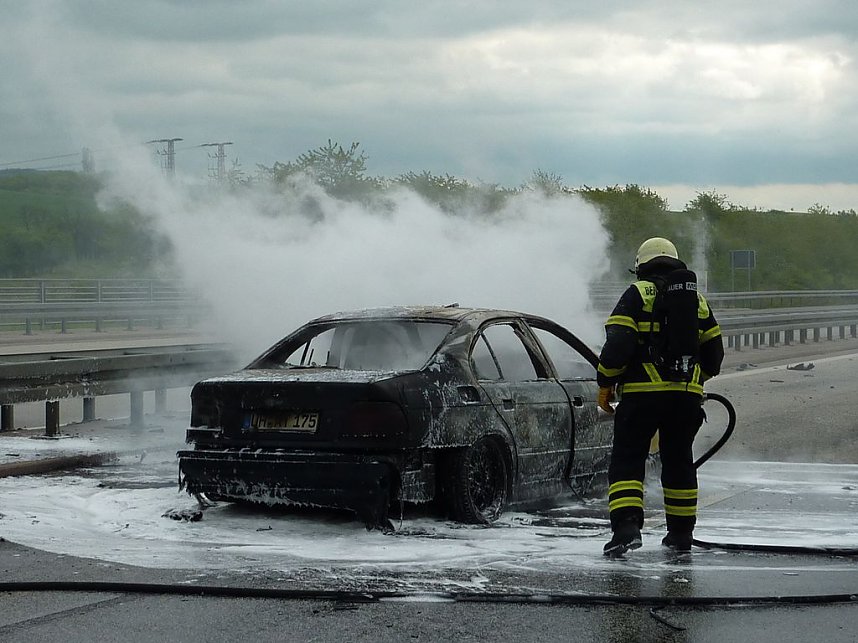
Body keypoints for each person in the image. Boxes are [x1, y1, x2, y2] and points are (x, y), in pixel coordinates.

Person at [597, 237, 724, 556]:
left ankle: (626, 529)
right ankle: (681, 535)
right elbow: (714, 357)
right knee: (679, 462)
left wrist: (606, 381)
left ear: (640, 266)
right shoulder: (698, 301)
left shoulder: (636, 294)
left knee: (628, 460)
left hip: (641, 398)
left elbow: (618, 346)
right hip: (685, 399)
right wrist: (693, 381)